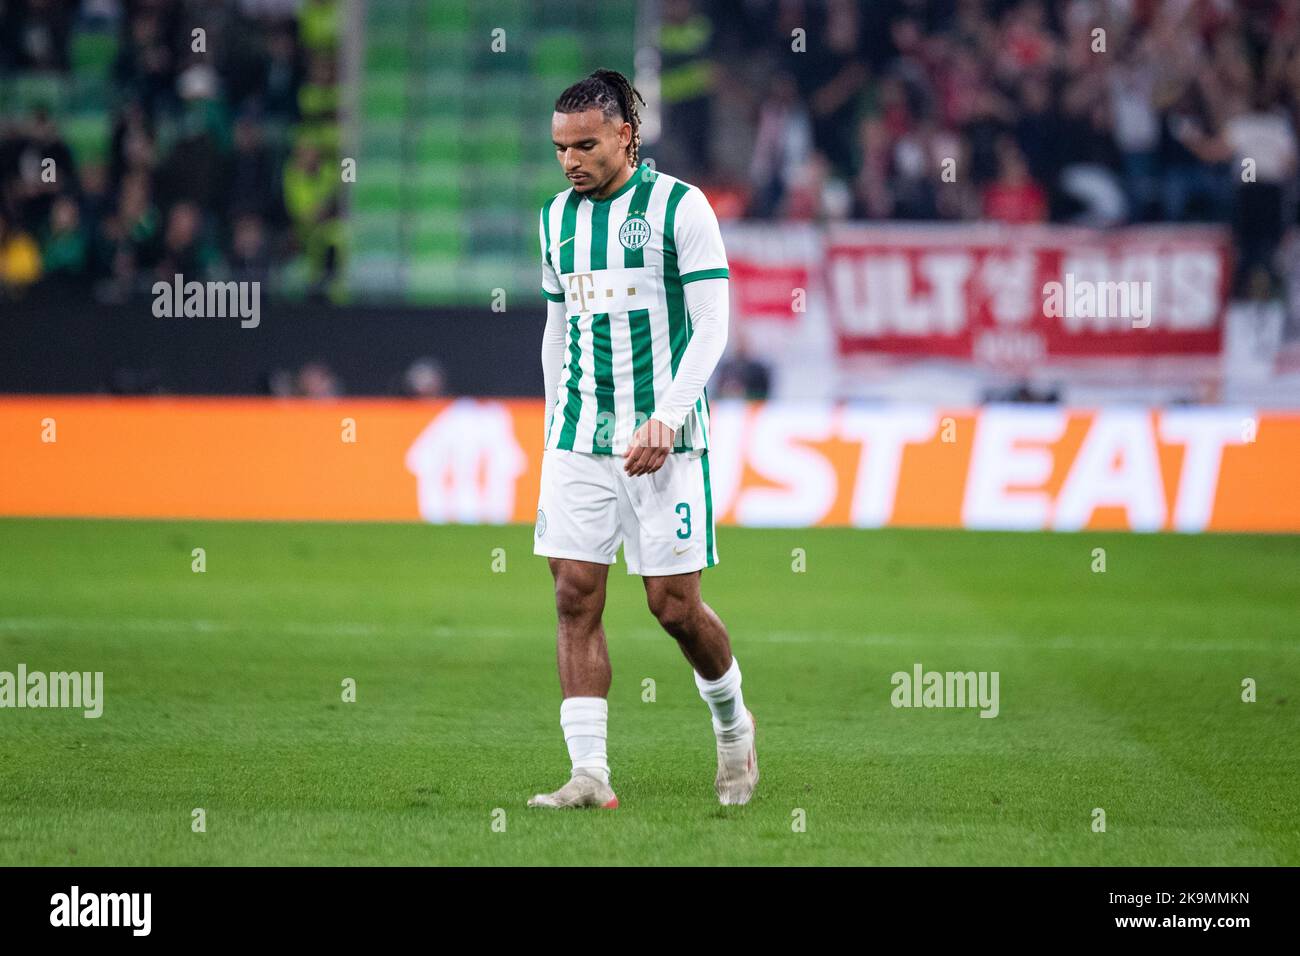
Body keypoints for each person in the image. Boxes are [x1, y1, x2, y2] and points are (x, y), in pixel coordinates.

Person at [529, 68, 757, 810]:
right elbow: (558, 327)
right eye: (561, 147)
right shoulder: (554, 220)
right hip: (579, 435)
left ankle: (733, 729)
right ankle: (590, 774)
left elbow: (714, 325)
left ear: (625, 134)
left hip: (666, 438)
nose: (570, 161)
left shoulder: (681, 209)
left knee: (674, 607)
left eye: (585, 145)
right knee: (573, 595)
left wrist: (667, 415)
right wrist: (553, 419)